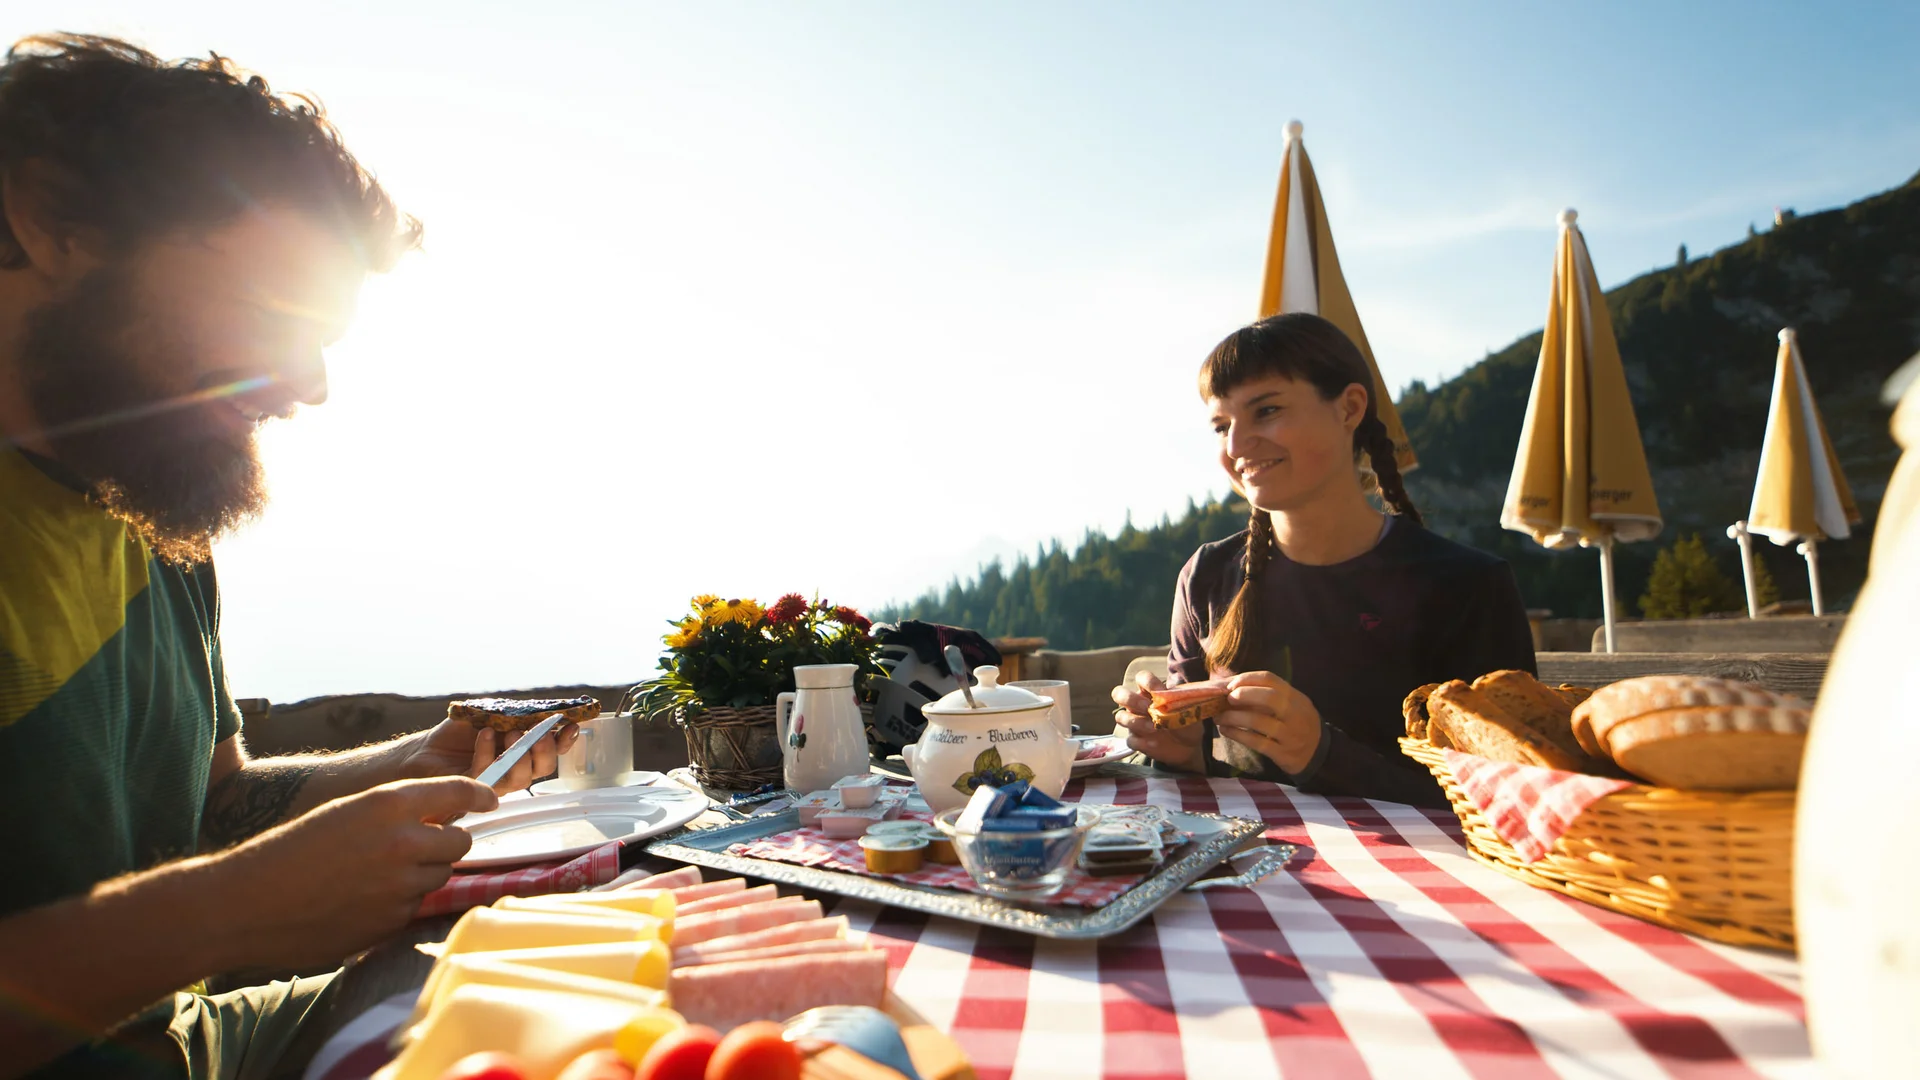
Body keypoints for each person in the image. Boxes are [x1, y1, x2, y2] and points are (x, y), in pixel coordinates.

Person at [0, 36, 577, 1079]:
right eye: (272, 314)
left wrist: (407, 764)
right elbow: (216, 895)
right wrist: (224, 919)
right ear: (54, 222)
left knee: (603, 975)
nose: (310, 386)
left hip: (197, 1046)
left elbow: (214, 811)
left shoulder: (149, 508)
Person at [1111, 313, 1535, 808]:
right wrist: (1180, 753)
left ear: (1349, 408)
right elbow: (1210, 769)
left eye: (1266, 410)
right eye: (1221, 425)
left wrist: (1323, 753)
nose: (1235, 446)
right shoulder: (1206, 576)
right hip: (1242, 867)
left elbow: (1511, 797)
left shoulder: (1464, 586)